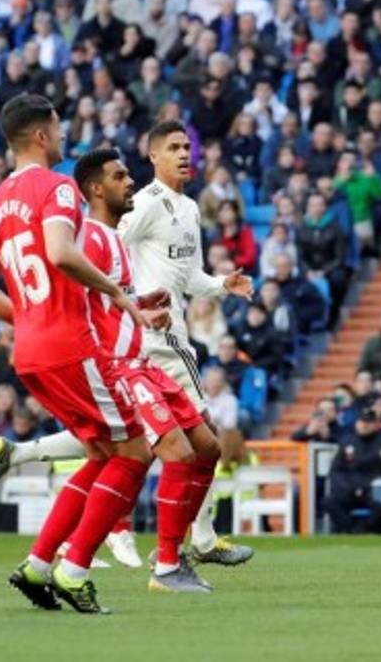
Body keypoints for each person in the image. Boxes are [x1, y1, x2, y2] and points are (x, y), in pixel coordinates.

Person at [0, 149, 224, 592]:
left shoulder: (113, 239)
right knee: (164, 454)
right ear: (96, 188)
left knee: (205, 447)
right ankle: (165, 564)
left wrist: (142, 309)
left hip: (141, 359)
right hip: (115, 367)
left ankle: (45, 559)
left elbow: (103, 303)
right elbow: (73, 307)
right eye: (120, 176)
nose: (130, 182)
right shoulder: (86, 237)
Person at [0, 94, 151, 614]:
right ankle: (74, 572)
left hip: (30, 351)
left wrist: (26, 318)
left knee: (100, 452)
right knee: (137, 450)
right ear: (43, 135)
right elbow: (61, 252)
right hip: (71, 344)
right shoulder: (59, 187)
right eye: (59, 126)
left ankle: (39, 565)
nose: (64, 135)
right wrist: (117, 295)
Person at [115, 120, 256, 565]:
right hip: (162, 336)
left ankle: (23, 454)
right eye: (173, 147)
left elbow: (188, 275)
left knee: (128, 440)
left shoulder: (190, 208)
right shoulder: (145, 203)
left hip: (156, 331)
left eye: (186, 147)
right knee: (204, 436)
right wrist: (129, 300)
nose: (183, 154)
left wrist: (221, 284)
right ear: (152, 156)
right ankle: (202, 538)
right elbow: (107, 243)